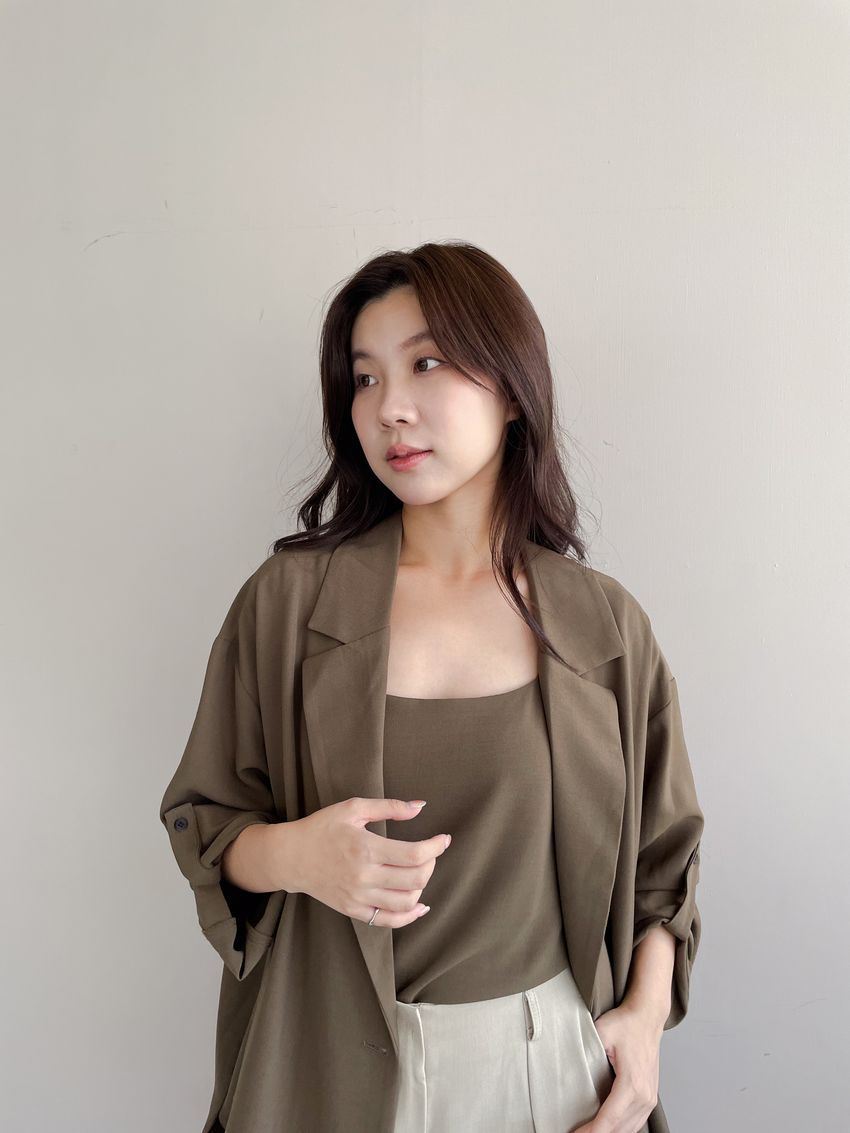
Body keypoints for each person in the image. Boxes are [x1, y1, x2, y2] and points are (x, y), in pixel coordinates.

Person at [159, 240, 705, 1133]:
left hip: (550, 1071)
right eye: (364, 378)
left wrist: (643, 1023)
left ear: (512, 389)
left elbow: (664, 867)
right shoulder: (288, 604)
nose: (390, 408)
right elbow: (205, 821)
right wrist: (297, 855)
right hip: (323, 1068)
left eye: (426, 363)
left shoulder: (602, 624)